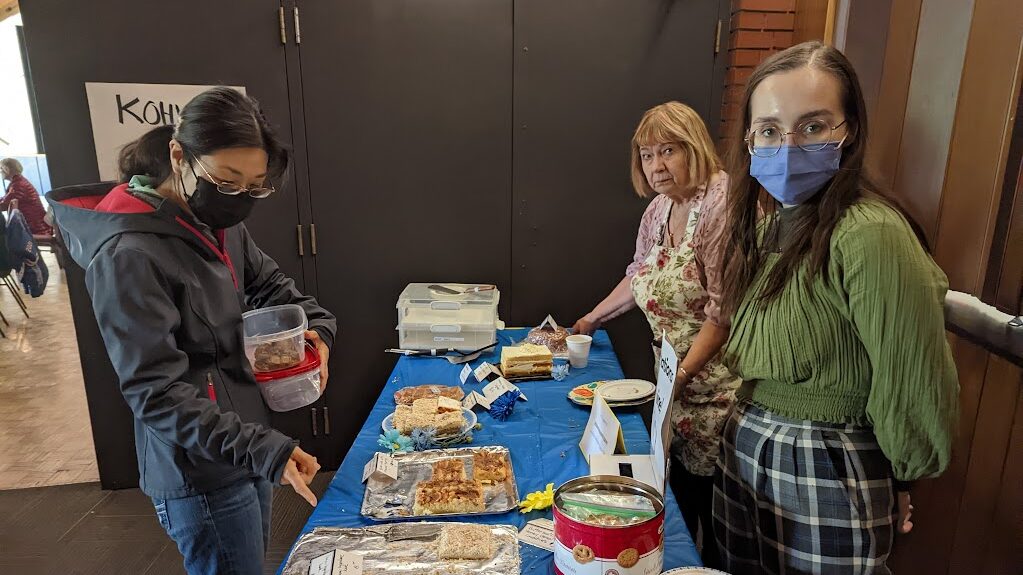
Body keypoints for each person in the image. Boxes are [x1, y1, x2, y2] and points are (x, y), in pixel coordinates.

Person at [47, 87, 337, 575]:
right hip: (198, 468)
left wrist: (318, 333)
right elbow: (156, 393)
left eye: (254, 187)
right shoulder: (128, 256)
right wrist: (266, 449)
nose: (239, 199)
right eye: (225, 182)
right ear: (179, 155)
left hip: (243, 439)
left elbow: (273, 289)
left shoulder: (215, 223)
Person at [712, 41, 959, 574]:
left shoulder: (870, 233)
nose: (789, 145)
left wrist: (901, 479)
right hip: (748, 452)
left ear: (849, 132)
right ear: (750, 139)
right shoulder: (769, 226)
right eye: (771, 131)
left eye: (814, 126)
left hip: (822, 466)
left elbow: (910, 377)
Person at [572, 101, 739, 566]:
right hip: (678, 385)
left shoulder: (721, 205)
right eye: (647, 155)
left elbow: (724, 314)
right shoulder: (659, 210)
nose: (656, 166)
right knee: (682, 499)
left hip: (723, 393)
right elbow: (638, 275)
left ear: (695, 147)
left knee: (716, 516)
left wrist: (681, 375)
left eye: (668, 151)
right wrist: (591, 319)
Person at [1, 158, 53, 236]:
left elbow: (4, 205)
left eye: (1, 168)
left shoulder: (18, 185)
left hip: (35, 229)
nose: (0, 171)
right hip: (33, 226)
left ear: (7, 169)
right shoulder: (18, 182)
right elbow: (6, 198)